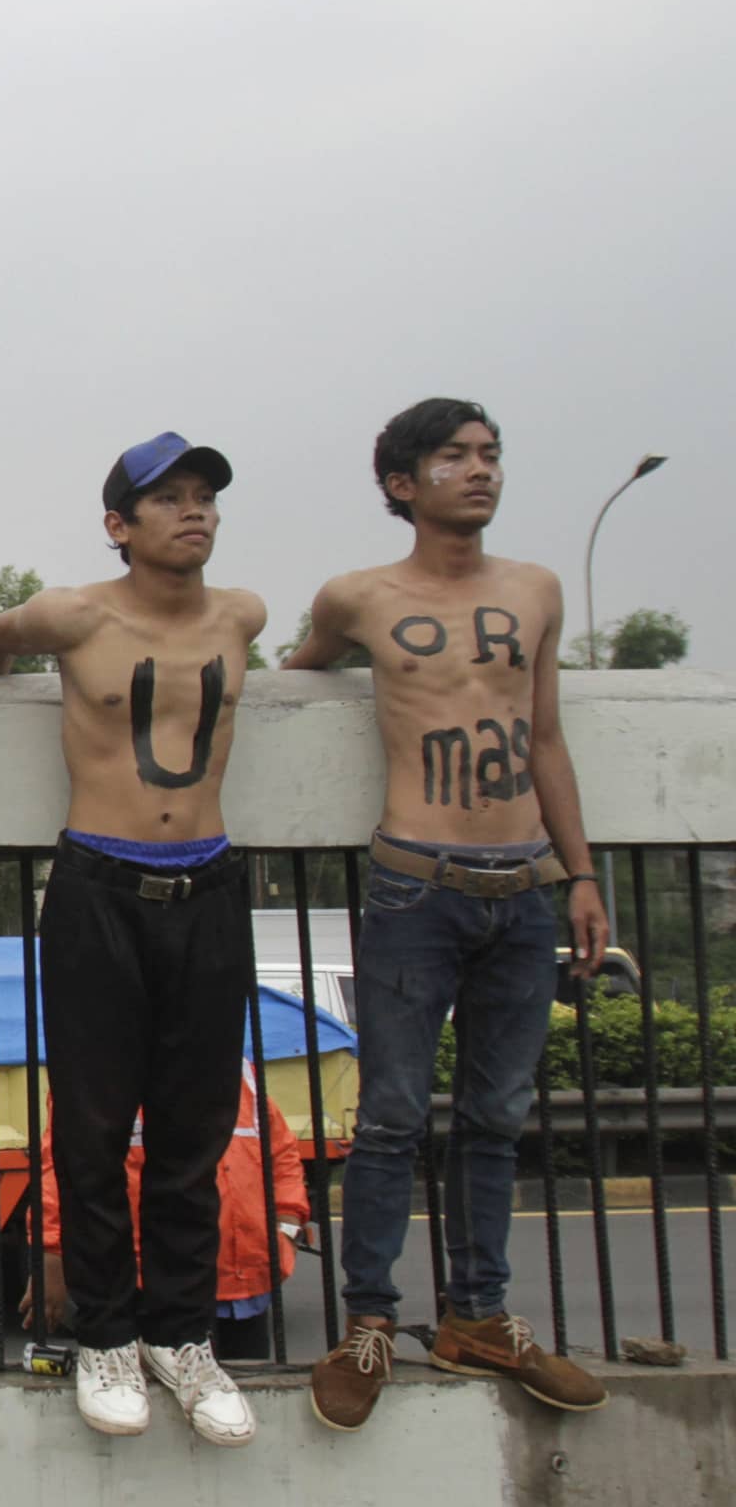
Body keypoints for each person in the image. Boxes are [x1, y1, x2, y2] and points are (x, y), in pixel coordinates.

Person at [287, 398, 610, 1429]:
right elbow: (297, 679)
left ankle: (479, 1313)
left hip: (522, 889)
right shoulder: (357, 596)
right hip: (413, 883)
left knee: (495, 1117)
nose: (480, 471)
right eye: (454, 457)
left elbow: (546, 737)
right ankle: (370, 1322)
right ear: (400, 483)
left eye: (490, 454)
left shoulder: (536, 591)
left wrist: (582, 874)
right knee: (388, 1118)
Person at [0, 431, 267, 1446]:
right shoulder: (73, 615)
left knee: (193, 1129)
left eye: (205, 497)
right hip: (99, 882)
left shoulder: (244, 615)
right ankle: (105, 1333)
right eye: (169, 498)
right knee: (92, 1128)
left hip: (212, 883)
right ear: (119, 524)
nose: (195, 512)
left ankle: (182, 1337)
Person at [28, 1061, 310, 1362]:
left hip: (244, 1280)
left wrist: (287, 1228)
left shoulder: (240, 1075)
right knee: (162, 1395)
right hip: (152, 1283)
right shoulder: (102, 1074)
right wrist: (51, 1252)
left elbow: (281, 1154)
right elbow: (61, 1170)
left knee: (248, 1391)